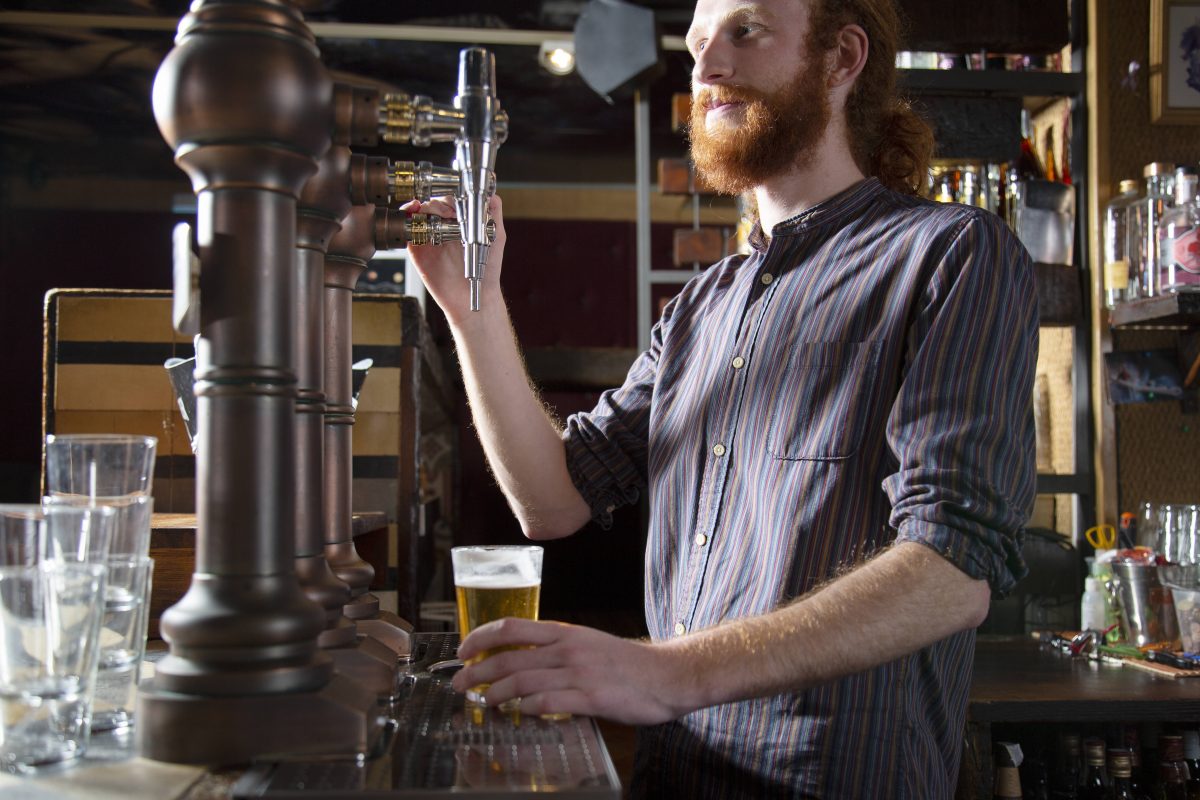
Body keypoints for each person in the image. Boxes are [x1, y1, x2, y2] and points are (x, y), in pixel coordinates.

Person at [405, 0, 1037, 795]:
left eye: (746, 32)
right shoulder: (703, 305)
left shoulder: (950, 255)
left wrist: (662, 674)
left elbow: (954, 565)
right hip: (680, 775)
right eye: (701, 43)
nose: (704, 70)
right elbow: (552, 500)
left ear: (842, 58)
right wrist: (474, 308)